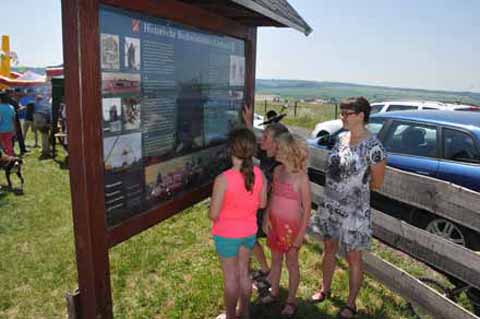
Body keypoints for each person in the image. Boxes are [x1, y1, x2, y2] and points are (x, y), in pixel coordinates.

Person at [309, 97, 387, 319]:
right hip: (330, 205)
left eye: (346, 113)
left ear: (361, 115)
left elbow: (377, 183)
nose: (342, 116)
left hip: (354, 212)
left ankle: (350, 303)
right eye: (341, 112)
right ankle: (325, 289)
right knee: (329, 247)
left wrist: (352, 191)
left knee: (353, 257)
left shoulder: (374, 147)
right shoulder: (341, 138)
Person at [209, 127, 267, 319]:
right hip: (249, 232)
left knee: (230, 278)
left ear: (230, 149)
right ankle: (245, 312)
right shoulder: (259, 174)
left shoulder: (222, 179)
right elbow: (262, 203)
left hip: (226, 235)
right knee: (244, 273)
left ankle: (231, 316)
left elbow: (213, 214)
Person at [260, 132, 311, 318]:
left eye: (279, 148)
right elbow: (273, 195)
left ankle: (291, 299)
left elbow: (306, 209)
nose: (276, 150)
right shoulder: (277, 171)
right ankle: (274, 291)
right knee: (275, 260)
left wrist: (300, 235)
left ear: (289, 152)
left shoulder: (301, 178)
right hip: (275, 224)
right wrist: (266, 216)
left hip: (292, 229)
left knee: (291, 262)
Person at [242, 104, 289, 291]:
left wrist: (268, 214)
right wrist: (248, 122)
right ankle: (265, 269)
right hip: (261, 207)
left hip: (273, 212)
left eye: (266, 137)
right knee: (249, 237)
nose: (262, 139)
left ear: (277, 143)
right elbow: (254, 143)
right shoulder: (267, 155)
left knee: (275, 248)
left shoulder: (281, 165)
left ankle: (273, 282)